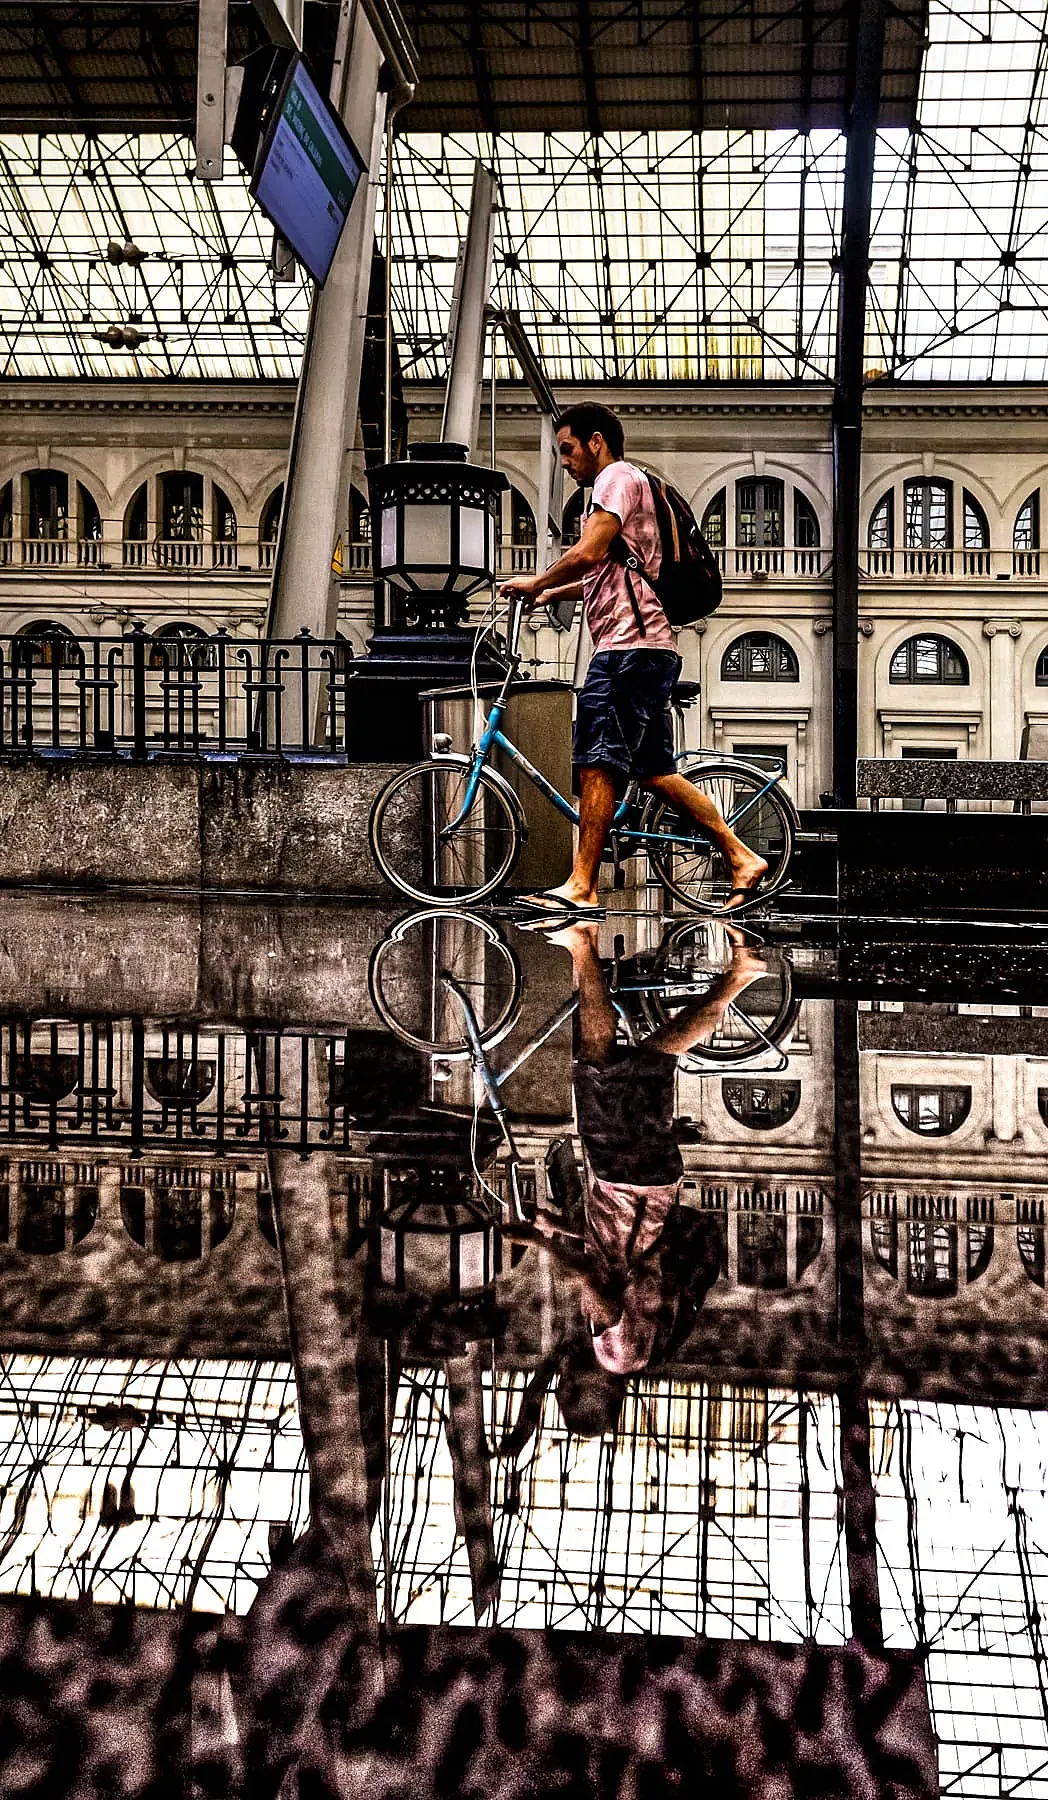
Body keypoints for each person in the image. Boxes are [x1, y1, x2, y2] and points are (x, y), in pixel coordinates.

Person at [499, 402, 768, 917]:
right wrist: (559, 595)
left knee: (598, 762)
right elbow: (609, 570)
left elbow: (589, 551)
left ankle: (582, 883)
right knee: (654, 773)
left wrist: (539, 580)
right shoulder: (626, 484)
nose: (565, 462)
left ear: (596, 441)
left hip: (628, 650)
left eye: (568, 449)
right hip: (646, 650)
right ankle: (741, 855)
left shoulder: (615, 478)